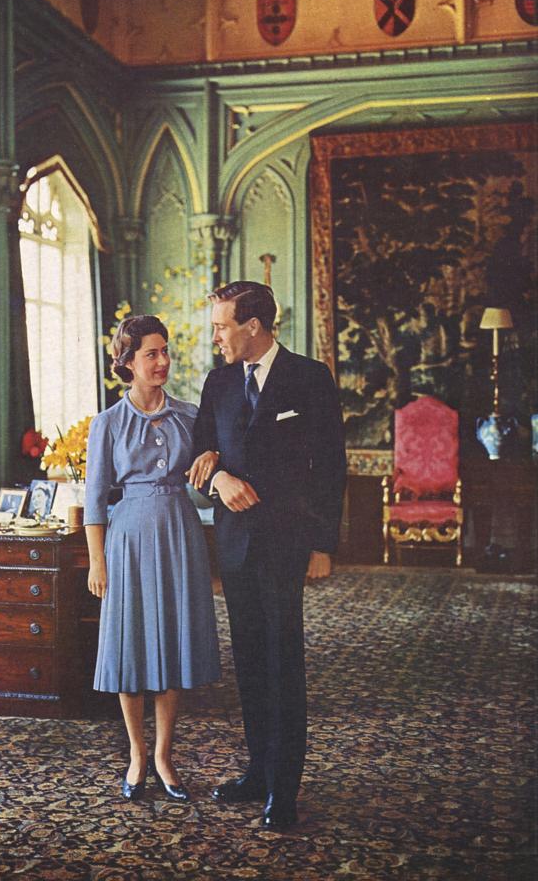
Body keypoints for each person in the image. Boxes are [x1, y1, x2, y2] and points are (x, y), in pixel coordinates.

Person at [189, 281, 346, 830]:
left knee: (284, 663)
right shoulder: (218, 382)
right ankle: (257, 772)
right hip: (234, 546)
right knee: (250, 662)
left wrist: (324, 545)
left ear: (253, 326)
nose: (216, 337)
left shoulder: (310, 378)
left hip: (286, 544)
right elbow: (199, 455)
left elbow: (331, 467)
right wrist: (220, 480)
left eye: (221, 326)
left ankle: (284, 788)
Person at [84, 314, 221, 802]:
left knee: (172, 641)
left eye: (165, 351)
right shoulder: (108, 423)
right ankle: (136, 753)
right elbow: (95, 500)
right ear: (127, 362)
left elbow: (210, 465)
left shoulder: (189, 414)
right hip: (128, 540)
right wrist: (97, 562)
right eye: (151, 354)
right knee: (131, 644)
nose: (162, 361)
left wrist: (216, 461)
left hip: (179, 533)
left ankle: (164, 754)